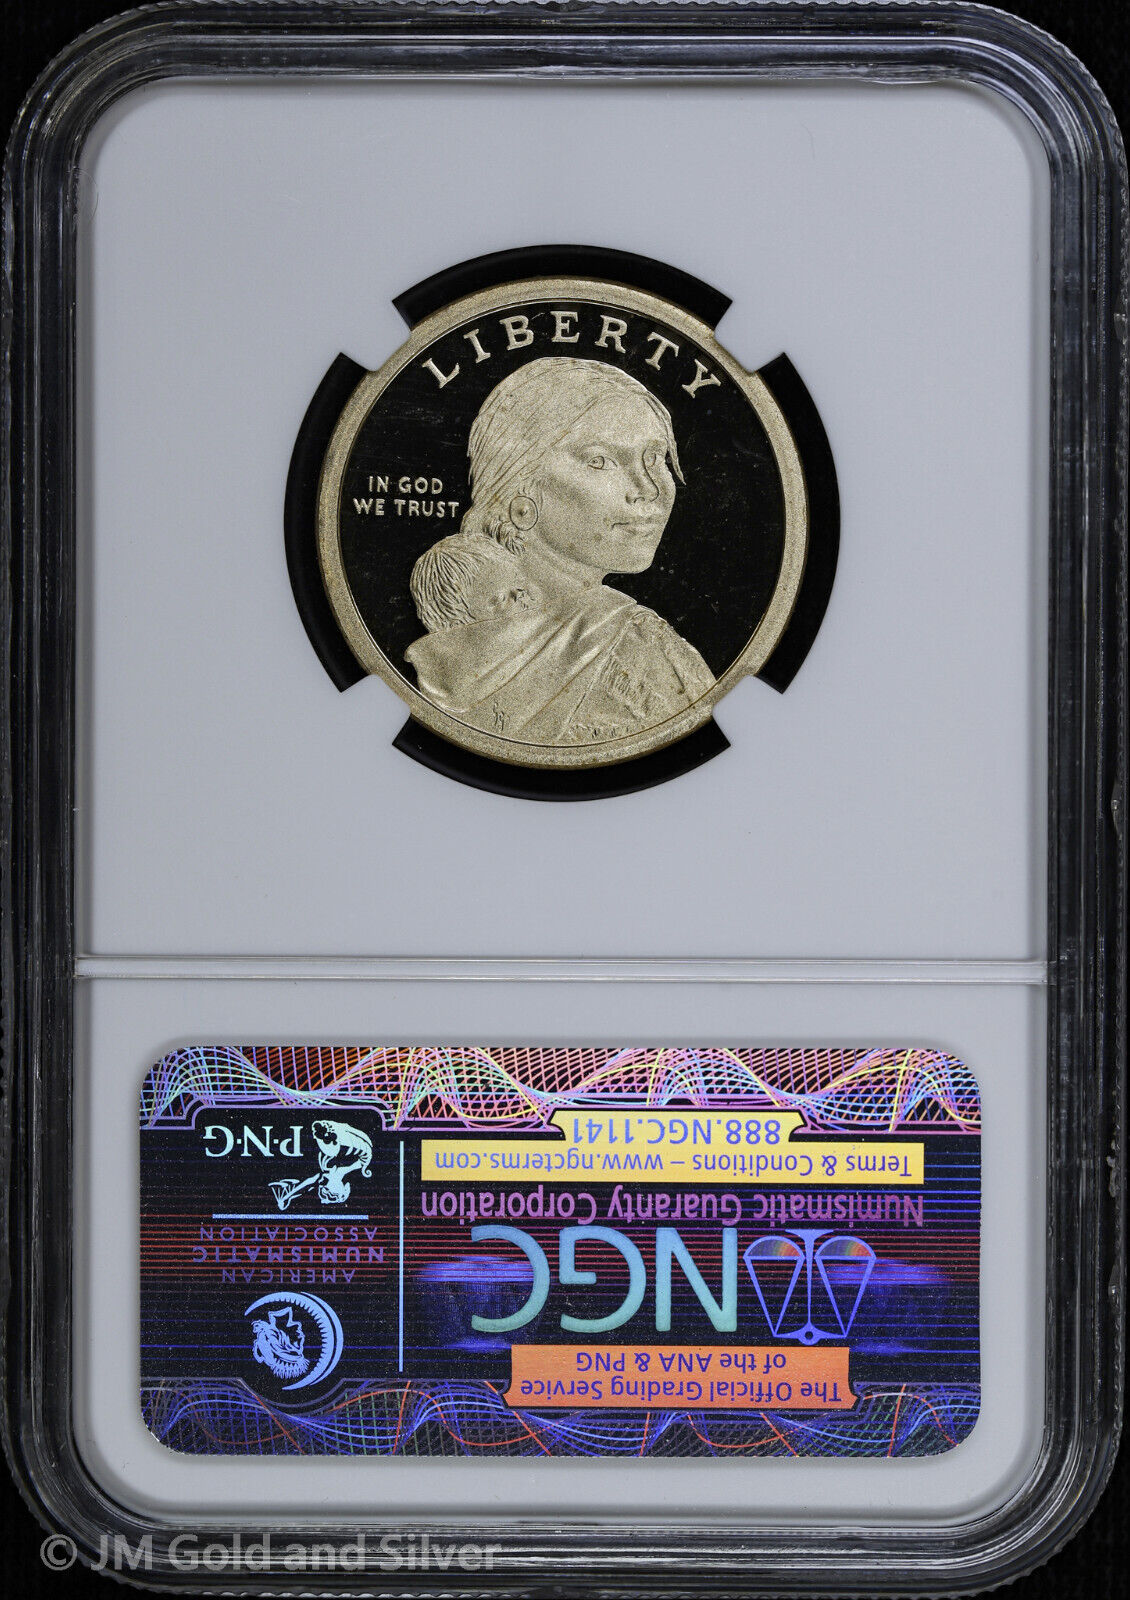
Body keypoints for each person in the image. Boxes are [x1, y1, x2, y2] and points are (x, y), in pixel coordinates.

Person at [405, 357, 715, 745]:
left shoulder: (445, 654)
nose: (649, 489)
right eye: (600, 461)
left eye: (654, 457)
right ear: (519, 491)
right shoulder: (646, 649)